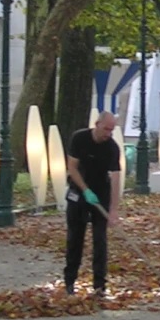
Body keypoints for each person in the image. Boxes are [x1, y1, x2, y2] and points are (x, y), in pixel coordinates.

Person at [62, 110, 123, 297]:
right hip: (79, 192)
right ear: (97, 124)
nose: (108, 134)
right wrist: (85, 190)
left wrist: (113, 210)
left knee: (100, 241)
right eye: (106, 129)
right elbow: (72, 167)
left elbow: (115, 178)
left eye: (111, 130)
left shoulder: (112, 148)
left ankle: (99, 285)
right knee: (75, 238)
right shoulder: (79, 138)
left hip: (101, 193)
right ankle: (69, 282)